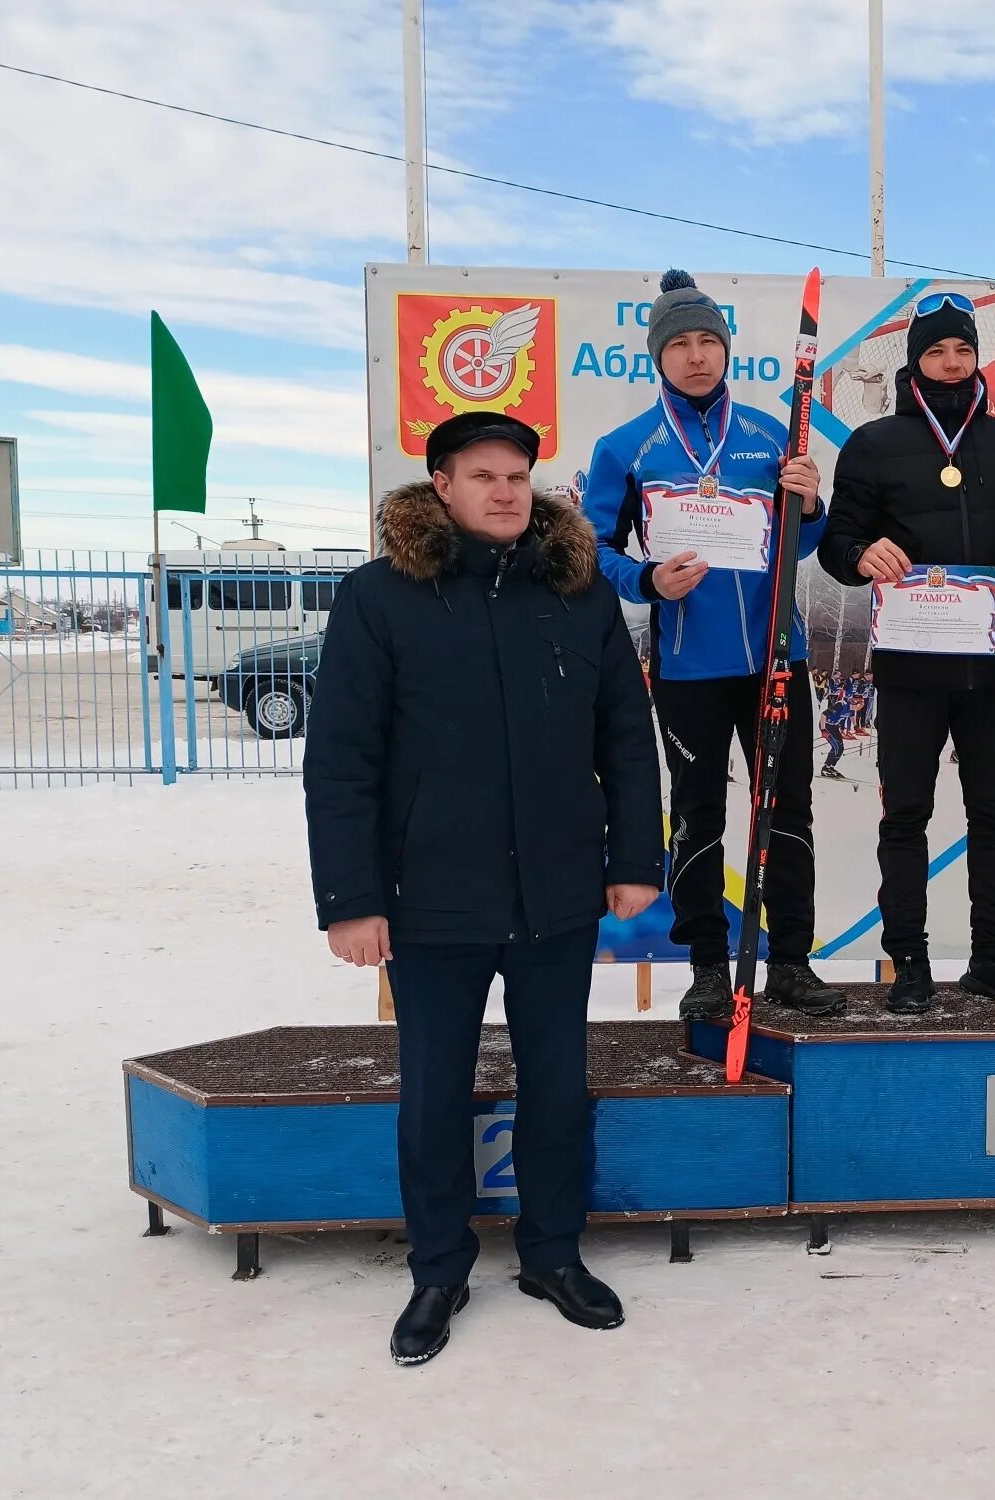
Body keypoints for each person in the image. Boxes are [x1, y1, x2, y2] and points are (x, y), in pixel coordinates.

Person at [304, 411, 665, 1365]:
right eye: (483, 475)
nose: (507, 492)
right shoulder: (378, 598)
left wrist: (635, 860)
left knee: (557, 1085)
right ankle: (437, 1270)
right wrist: (350, 899)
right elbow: (341, 761)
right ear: (441, 485)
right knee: (431, 1093)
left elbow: (626, 737)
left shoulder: (576, 592)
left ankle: (552, 1255)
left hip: (555, 894)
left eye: (519, 475)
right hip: (431, 898)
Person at [583, 270, 847, 1023]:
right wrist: (646, 581)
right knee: (699, 814)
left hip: (774, 658)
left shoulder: (771, 436)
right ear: (657, 356)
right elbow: (594, 549)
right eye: (680, 343)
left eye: (708, 341)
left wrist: (812, 501)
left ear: (726, 350)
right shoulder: (626, 448)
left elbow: (806, 543)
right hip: (688, 666)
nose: (697, 356)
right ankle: (705, 963)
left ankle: (791, 961)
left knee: (786, 809)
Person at [816, 292, 995, 1013]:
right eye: (936, 351)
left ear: (979, 358)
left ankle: (989, 960)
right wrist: (861, 551)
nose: (950, 363)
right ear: (914, 360)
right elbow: (835, 545)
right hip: (912, 667)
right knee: (905, 815)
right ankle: (908, 962)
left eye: (962, 350)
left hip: (992, 667)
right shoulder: (875, 443)